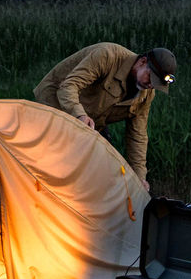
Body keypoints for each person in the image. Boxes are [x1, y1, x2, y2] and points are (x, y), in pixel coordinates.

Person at [33, 43, 176, 191]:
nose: (151, 85)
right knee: (53, 165)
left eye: (156, 83)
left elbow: (137, 136)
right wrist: (80, 115)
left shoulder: (145, 95)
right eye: (150, 77)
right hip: (56, 103)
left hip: (91, 121)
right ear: (142, 62)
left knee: (102, 168)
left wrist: (139, 177)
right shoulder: (107, 56)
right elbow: (68, 86)